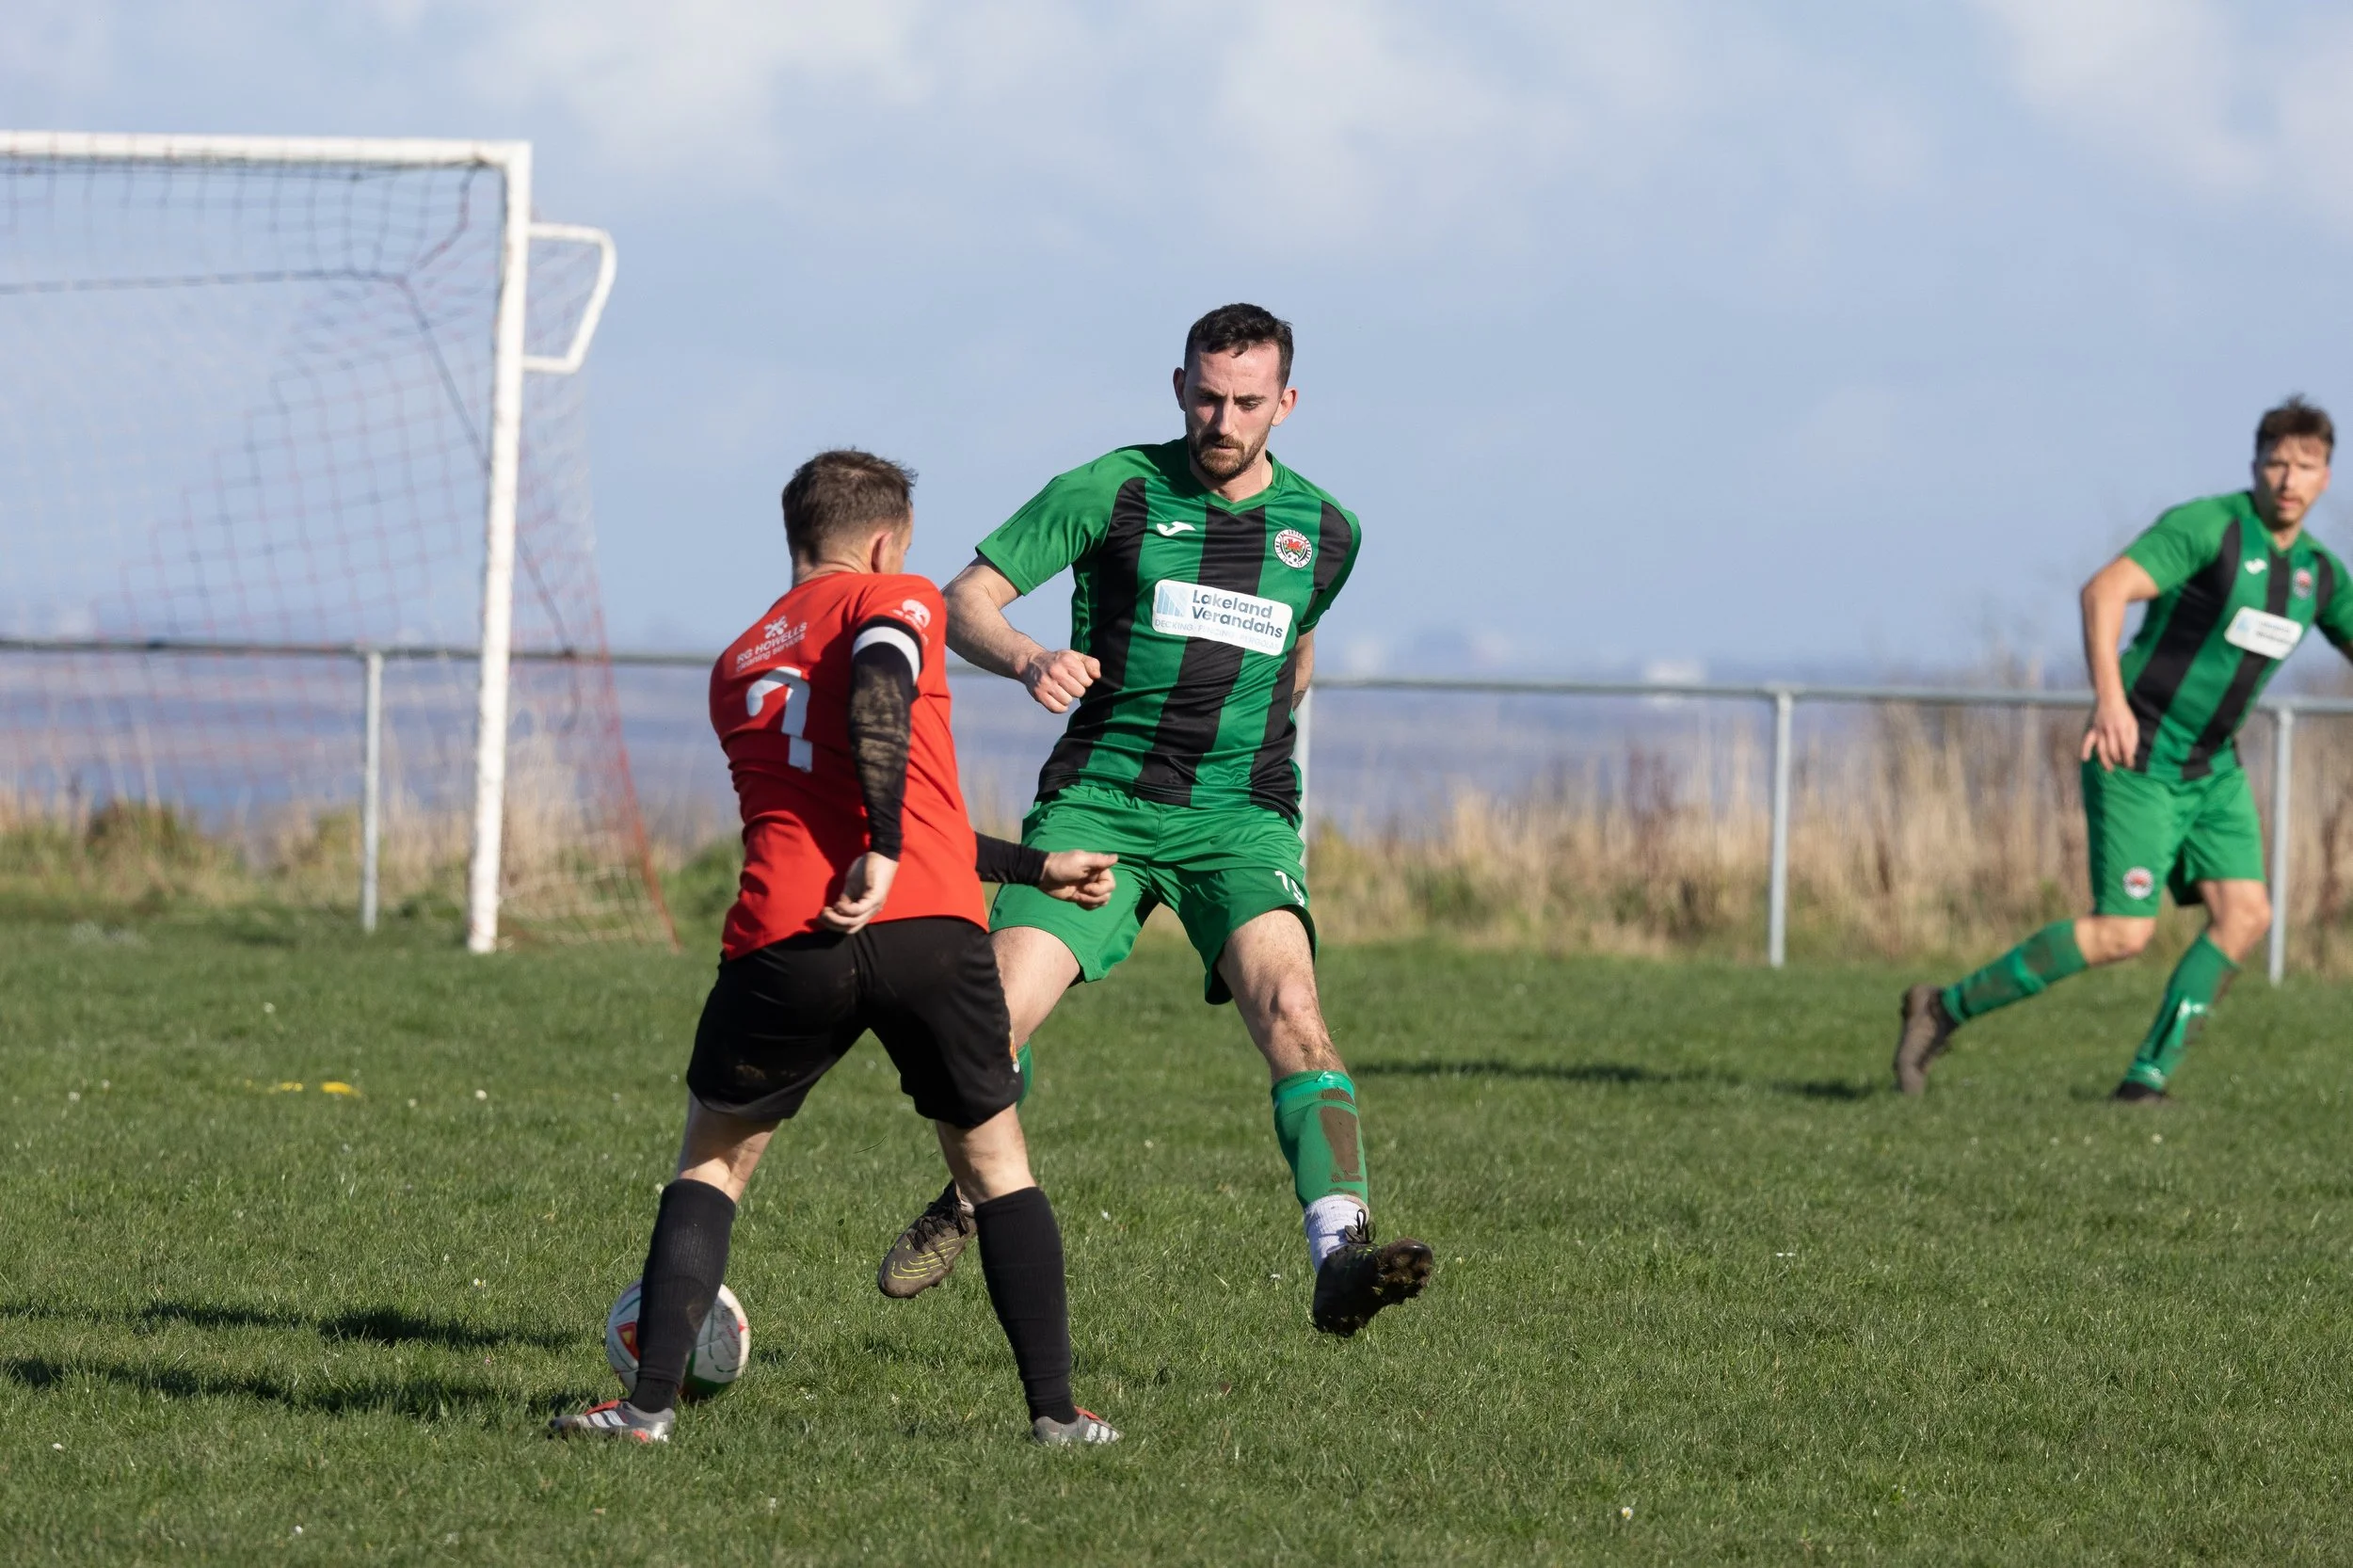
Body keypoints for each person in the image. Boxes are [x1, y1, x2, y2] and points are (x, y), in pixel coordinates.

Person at [874, 304, 1433, 1336]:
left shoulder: (1329, 531)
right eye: (1207, 397)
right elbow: (963, 599)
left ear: (1287, 404)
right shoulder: (1113, 488)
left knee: (1294, 1016)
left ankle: (1341, 1254)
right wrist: (1032, 656)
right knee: (989, 1024)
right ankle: (969, 1192)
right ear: (1178, 387)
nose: (1223, 419)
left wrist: (1254, 746)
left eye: (1248, 403)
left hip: (1241, 823)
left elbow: (1295, 648)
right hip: (1104, 803)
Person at [551, 450, 1122, 1444]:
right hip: (928, 932)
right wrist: (890, 850)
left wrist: (1033, 870)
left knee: (711, 1169)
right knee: (995, 1167)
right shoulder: (896, 598)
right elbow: (878, 692)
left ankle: (645, 1413)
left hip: (787, 940)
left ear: (796, 539)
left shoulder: (736, 662)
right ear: (883, 542)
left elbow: (846, 779)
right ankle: (1057, 1415)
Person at [1896, 397, 2353, 1100]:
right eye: (2277, 462)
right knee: (2122, 934)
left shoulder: (2318, 575)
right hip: (2136, 754)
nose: (2289, 479)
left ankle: (2145, 1083)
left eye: (2307, 466)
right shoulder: (2210, 528)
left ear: (2327, 477)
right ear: (2256, 465)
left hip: (2214, 770)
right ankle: (1942, 1008)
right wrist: (2109, 700)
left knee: (2247, 915)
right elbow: (2104, 591)